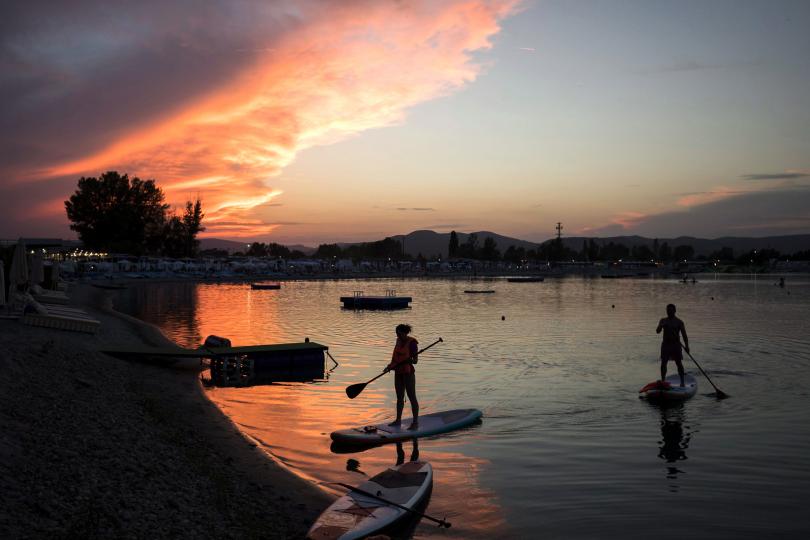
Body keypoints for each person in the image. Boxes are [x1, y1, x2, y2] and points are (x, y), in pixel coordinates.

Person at [385, 324, 419, 430]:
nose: (397, 335)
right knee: (399, 397)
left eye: (399, 333)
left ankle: (415, 422)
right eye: (396, 333)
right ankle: (398, 420)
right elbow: (395, 359)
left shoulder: (412, 343)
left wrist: (410, 360)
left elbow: (415, 361)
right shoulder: (398, 341)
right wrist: (389, 367)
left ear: (405, 333)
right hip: (398, 372)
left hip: (408, 373)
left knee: (411, 396)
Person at [656, 304, 689, 387]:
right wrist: (661, 325)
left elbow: (684, 335)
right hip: (666, 345)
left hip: (676, 345)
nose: (669, 312)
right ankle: (663, 380)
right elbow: (657, 331)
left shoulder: (679, 322)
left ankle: (682, 382)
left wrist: (687, 346)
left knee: (678, 363)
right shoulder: (663, 320)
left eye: (670, 310)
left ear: (674, 311)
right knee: (663, 363)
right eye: (667, 310)